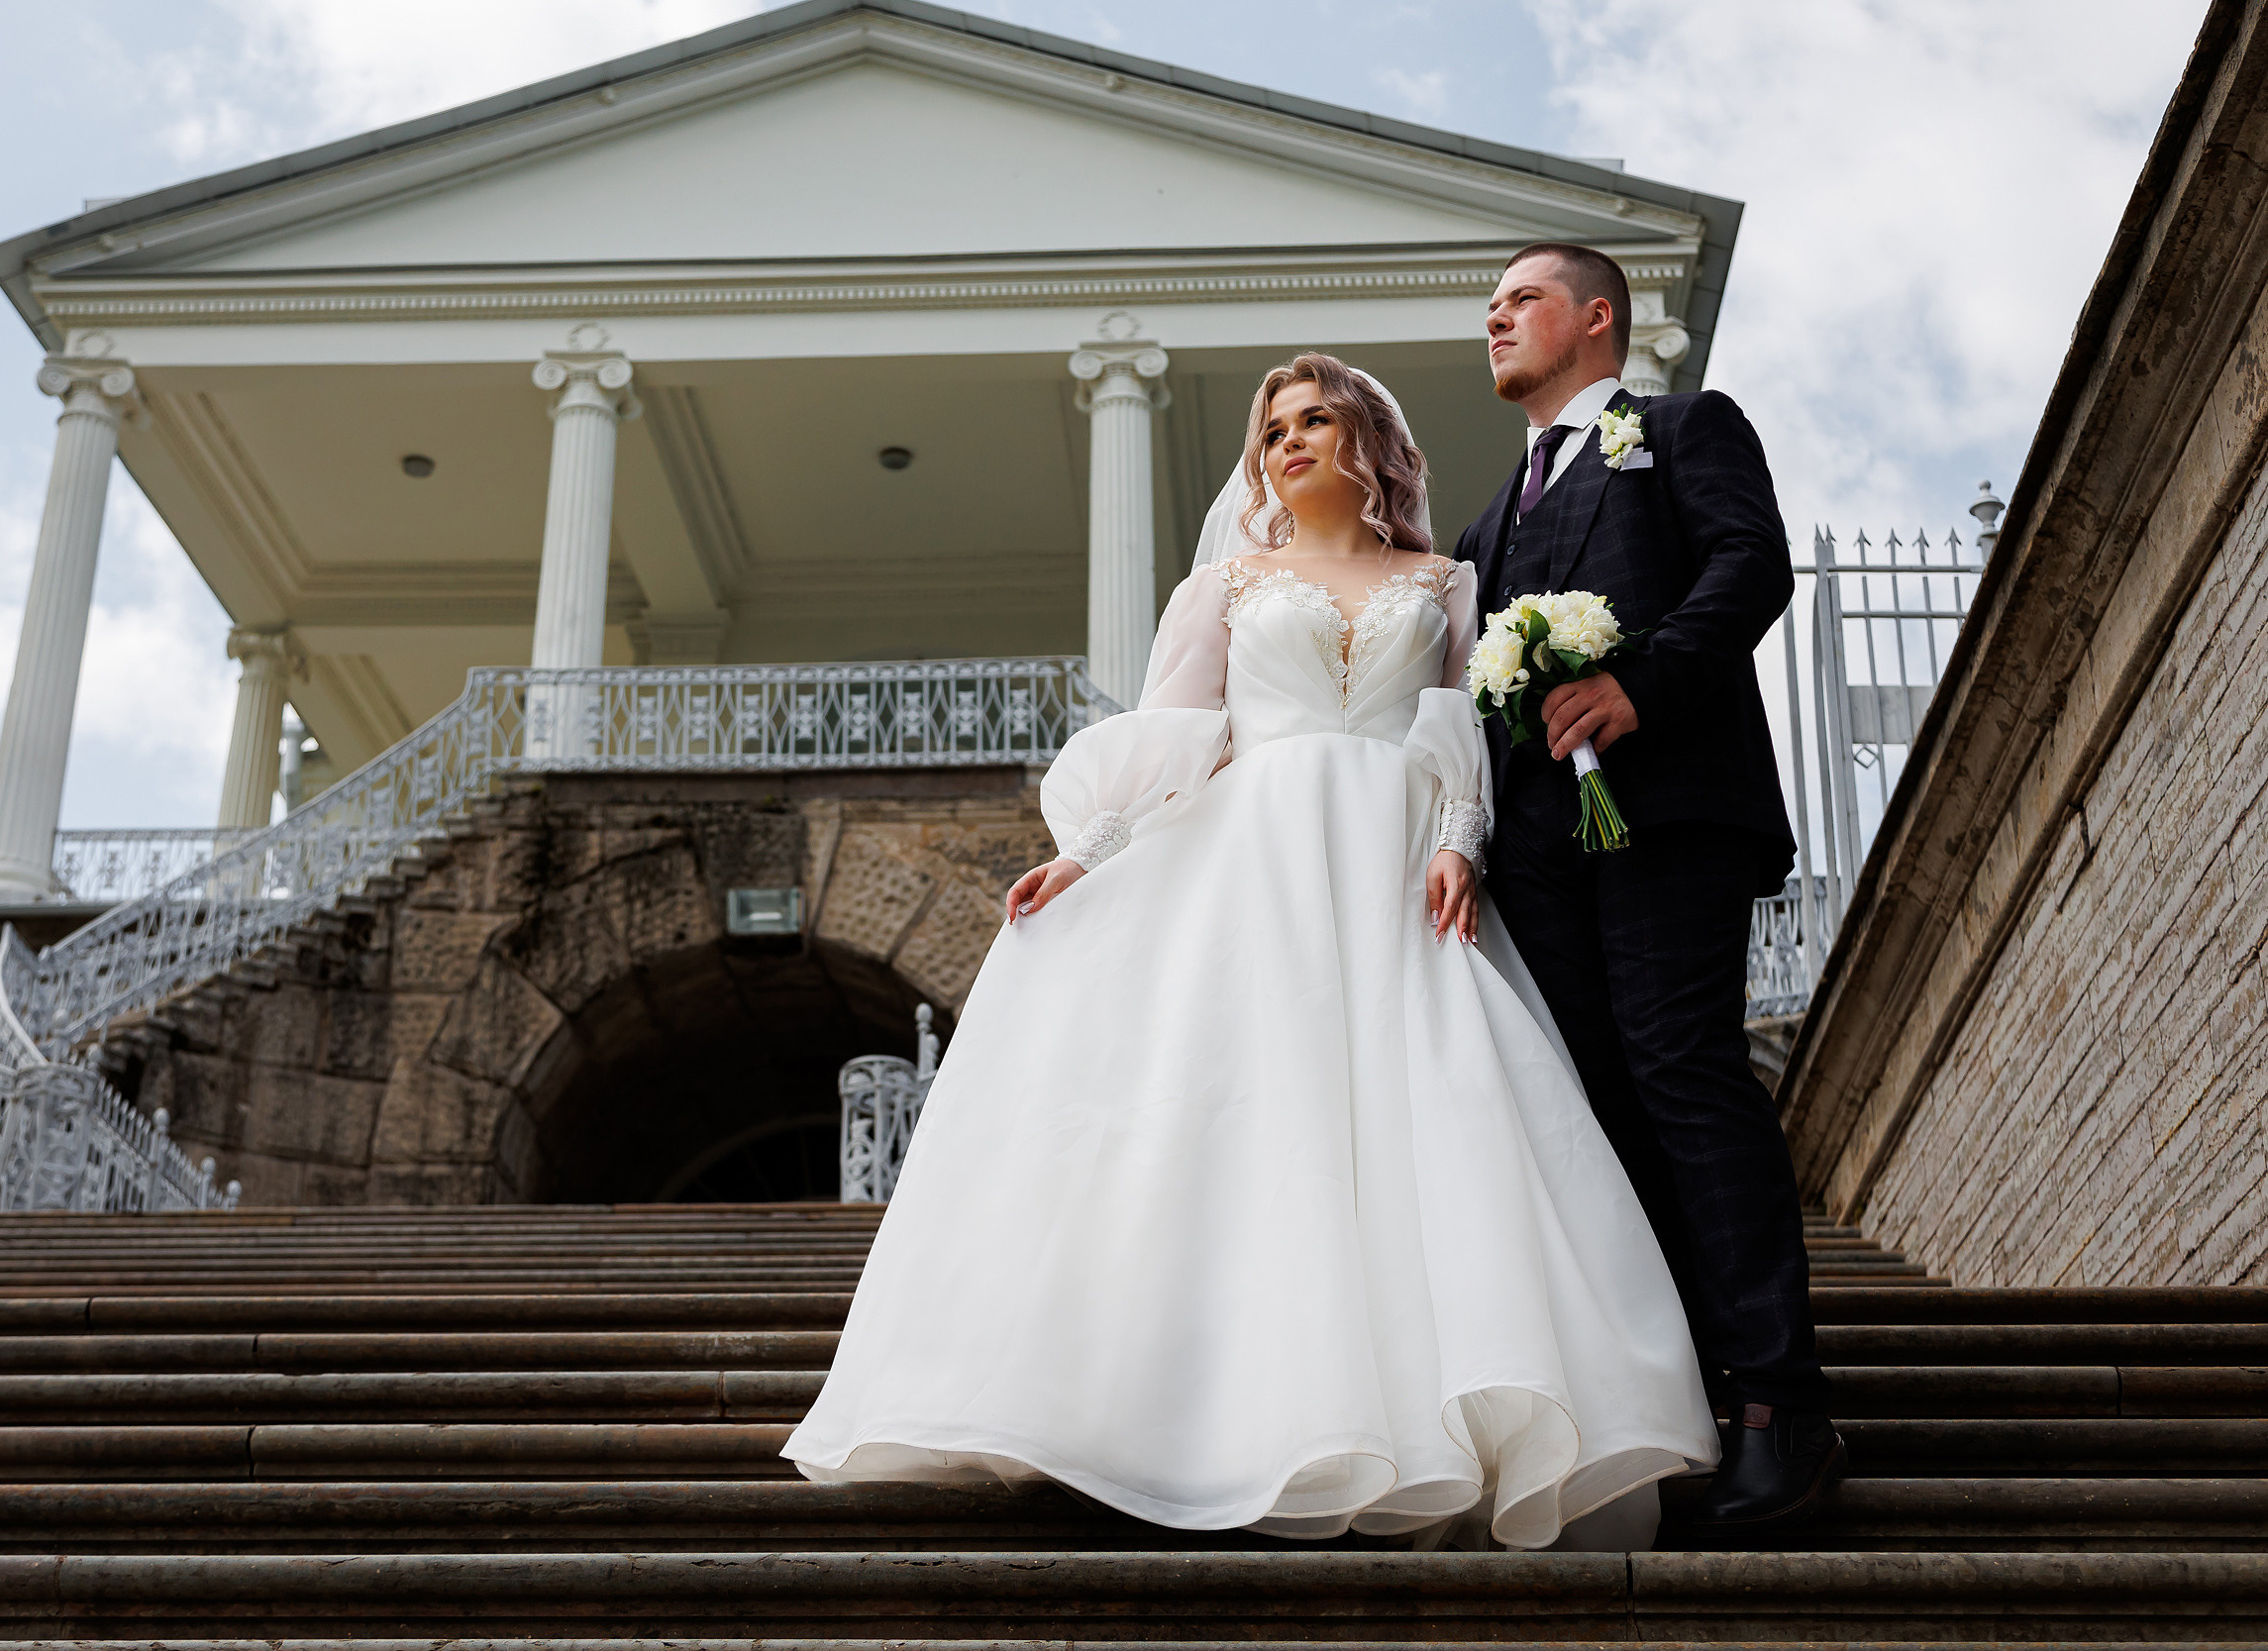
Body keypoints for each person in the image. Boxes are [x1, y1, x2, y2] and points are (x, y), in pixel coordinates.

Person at [782, 352, 1718, 1550]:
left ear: (1368, 440)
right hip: (1253, 854)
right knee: (1246, 1105)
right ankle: (1186, 1408)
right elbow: (1181, 732)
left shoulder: (1446, 581)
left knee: (1418, 1110)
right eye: (1274, 427)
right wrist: (1087, 852)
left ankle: (1425, 1407)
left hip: (1394, 865)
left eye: (1316, 418)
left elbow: (1455, 730)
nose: (1290, 441)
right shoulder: (1223, 583)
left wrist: (1457, 841)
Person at [1458, 242, 1843, 1532]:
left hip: (1671, 807)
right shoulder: (1485, 525)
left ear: (1596, 317)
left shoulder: (1678, 430)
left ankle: (1781, 1404)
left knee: (1682, 1067)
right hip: (1535, 854)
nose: (1495, 318)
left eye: (1521, 299)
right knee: (1598, 1108)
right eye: (1490, 306)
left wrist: (1642, 680)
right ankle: (1678, 1401)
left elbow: (1750, 564)